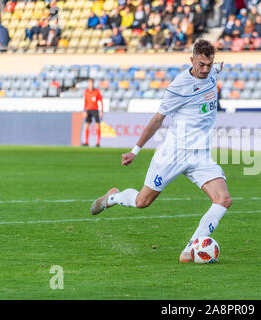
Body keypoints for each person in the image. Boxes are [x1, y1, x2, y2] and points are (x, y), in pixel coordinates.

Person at [90, 39, 232, 262]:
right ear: (192, 60)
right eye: (201, 64)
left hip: (200, 156)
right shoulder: (179, 86)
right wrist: (135, 151)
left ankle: (191, 248)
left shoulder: (213, 71)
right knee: (142, 202)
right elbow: (158, 119)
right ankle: (114, 198)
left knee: (223, 199)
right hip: (173, 155)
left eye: (209, 64)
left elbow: (219, 66)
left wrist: (220, 64)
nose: (205, 69)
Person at [82, 78, 104, 147]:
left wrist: (101, 110)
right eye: (89, 83)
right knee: (87, 125)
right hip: (88, 110)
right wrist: (84, 111)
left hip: (95, 110)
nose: (90, 85)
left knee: (97, 125)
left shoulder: (97, 91)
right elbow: (85, 102)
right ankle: (86, 142)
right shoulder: (86, 92)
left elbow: (101, 101)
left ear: (93, 84)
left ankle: (98, 142)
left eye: (91, 83)